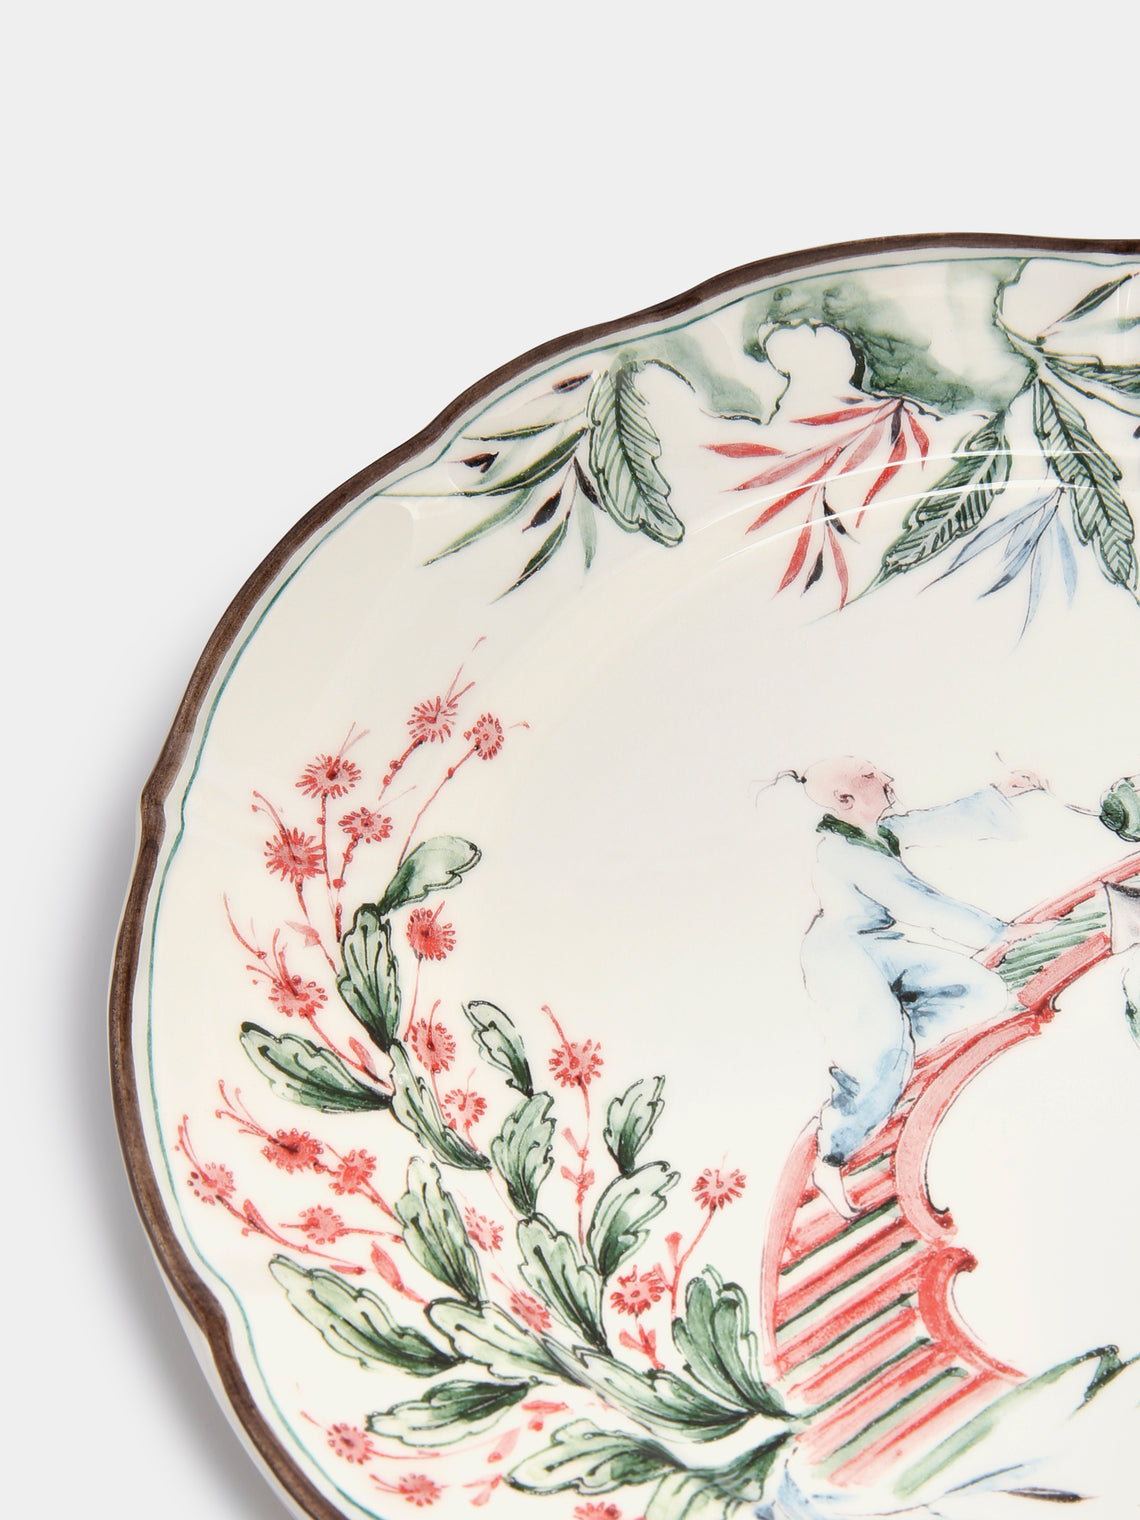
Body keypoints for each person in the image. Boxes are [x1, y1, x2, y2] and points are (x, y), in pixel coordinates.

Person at [794, 758, 1045, 1219]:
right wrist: (998, 932)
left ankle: (896, 1053)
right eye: (870, 776)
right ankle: (831, 1160)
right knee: (876, 1061)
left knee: (980, 991)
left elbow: (933, 822)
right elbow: (916, 900)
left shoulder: (874, 830)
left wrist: (1000, 792)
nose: (887, 779)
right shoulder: (843, 852)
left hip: (879, 946)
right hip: (842, 961)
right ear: (844, 800)